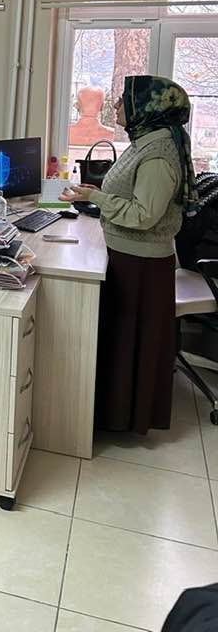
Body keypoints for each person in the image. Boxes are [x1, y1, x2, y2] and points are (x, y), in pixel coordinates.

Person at [60, 75, 200, 434]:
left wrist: (95, 198)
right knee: (121, 342)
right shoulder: (145, 142)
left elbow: (143, 214)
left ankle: (126, 418)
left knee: (129, 343)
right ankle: (114, 413)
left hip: (141, 263)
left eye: (124, 100)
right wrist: (95, 194)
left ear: (148, 109)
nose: (118, 106)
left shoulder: (158, 153)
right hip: (128, 255)